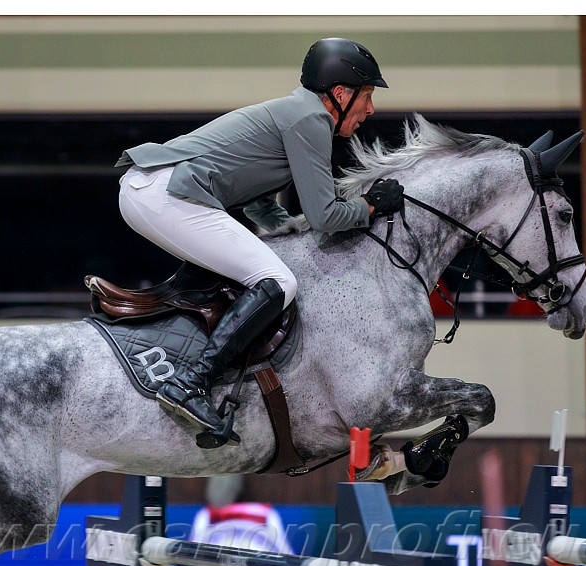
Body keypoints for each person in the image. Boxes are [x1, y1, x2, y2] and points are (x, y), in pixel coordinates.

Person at [115, 38, 405, 447]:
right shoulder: (310, 120)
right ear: (340, 94)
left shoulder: (296, 112)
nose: (370, 110)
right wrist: (370, 206)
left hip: (150, 188)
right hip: (166, 192)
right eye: (368, 95)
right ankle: (189, 384)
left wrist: (284, 225)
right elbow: (325, 217)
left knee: (247, 275)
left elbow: (256, 197)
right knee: (279, 282)